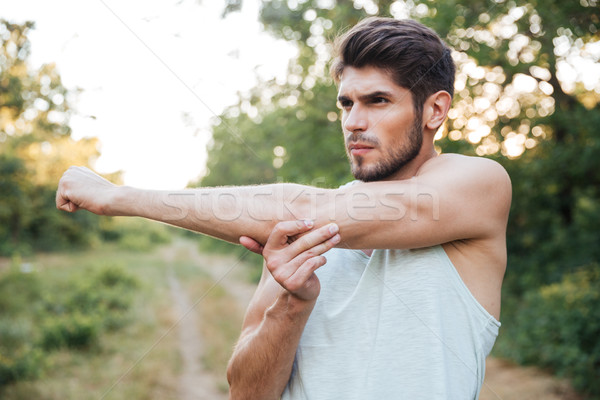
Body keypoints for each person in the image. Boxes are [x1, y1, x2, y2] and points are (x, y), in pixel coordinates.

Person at [56, 17, 511, 400]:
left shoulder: (479, 184)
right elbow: (246, 393)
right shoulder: (294, 229)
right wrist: (293, 303)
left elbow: (306, 205)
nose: (354, 122)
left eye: (378, 101)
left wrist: (120, 198)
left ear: (435, 110)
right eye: (347, 103)